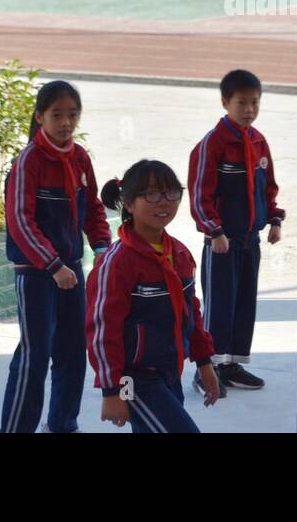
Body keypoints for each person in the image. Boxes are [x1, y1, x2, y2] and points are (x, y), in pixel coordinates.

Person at [0, 81, 111, 433]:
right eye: (57, 115)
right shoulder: (28, 160)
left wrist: (102, 247)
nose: (66, 122)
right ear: (40, 116)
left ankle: (63, 423)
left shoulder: (79, 158)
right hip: (35, 273)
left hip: (71, 273)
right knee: (35, 355)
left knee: (73, 352)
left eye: (72, 115)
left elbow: (93, 207)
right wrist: (52, 264)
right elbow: (20, 219)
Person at [87, 160, 221, 433]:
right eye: (150, 194)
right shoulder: (117, 262)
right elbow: (102, 329)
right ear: (128, 203)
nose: (163, 202)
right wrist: (112, 391)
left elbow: (191, 312)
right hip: (132, 381)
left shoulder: (180, 253)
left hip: (169, 373)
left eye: (171, 193)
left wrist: (205, 362)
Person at [186, 69, 284, 394]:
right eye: (241, 102)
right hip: (221, 244)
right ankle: (206, 369)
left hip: (249, 242)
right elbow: (200, 194)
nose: (249, 109)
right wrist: (214, 231)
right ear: (225, 102)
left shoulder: (258, 141)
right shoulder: (211, 145)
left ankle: (230, 365)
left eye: (255, 102)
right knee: (218, 305)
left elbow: (267, 187)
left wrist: (274, 220)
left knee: (244, 304)